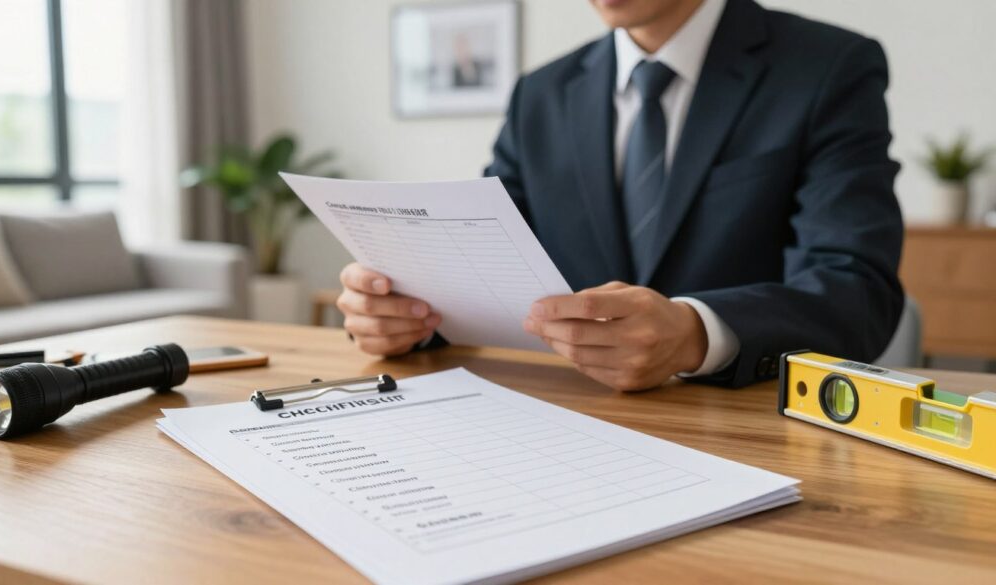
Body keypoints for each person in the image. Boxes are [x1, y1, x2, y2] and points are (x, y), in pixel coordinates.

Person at [336, 0, 904, 390]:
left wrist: (696, 334)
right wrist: (409, 315)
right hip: (565, 426)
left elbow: (857, 289)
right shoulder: (542, 93)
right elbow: (489, 260)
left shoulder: (828, 68)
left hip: (748, 431)